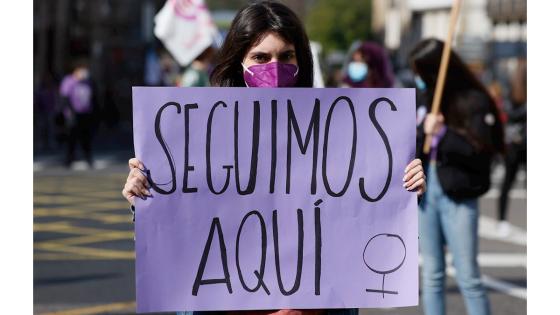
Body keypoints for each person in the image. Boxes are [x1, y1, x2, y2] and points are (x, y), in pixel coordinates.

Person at [123, 2, 427, 314]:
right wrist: (145, 198)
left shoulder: (337, 132)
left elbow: (360, 210)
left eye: (286, 56)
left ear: (301, 60)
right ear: (238, 60)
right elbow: (182, 226)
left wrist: (401, 186)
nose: (274, 66)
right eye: (260, 57)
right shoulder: (200, 135)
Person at [409, 38, 505, 315]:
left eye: (422, 71)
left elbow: (481, 152)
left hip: (459, 194)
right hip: (426, 192)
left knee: (468, 276)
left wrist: (443, 134)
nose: (418, 78)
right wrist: (421, 132)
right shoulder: (424, 100)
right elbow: (414, 148)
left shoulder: (474, 101)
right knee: (432, 275)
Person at [496, 58, 526, 236]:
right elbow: (509, 112)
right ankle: (502, 220)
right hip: (515, 144)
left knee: (509, 183)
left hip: (518, 144)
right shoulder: (512, 92)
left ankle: (502, 221)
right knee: (507, 182)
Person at [59, 58, 95, 168]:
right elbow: (64, 97)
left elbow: (92, 97)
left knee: (86, 138)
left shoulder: (87, 82)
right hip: (73, 115)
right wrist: (70, 112)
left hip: (85, 114)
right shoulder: (69, 81)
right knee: (72, 138)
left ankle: (88, 158)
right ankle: (68, 159)